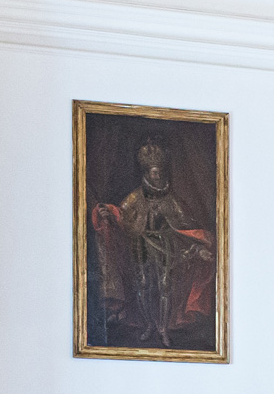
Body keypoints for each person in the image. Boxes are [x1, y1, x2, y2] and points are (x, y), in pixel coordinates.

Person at [89, 139, 215, 348]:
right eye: (153, 172)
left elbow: (184, 224)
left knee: (165, 285)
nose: (157, 176)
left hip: (165, 245)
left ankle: (163, 328)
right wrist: (108, 214)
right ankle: (148, 324)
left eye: (159, 172)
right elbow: (122, 217)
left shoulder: (170, 199)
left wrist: (196, 242)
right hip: (141, 245)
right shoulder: (135, 197)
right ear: (146, 173)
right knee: (144, 285)